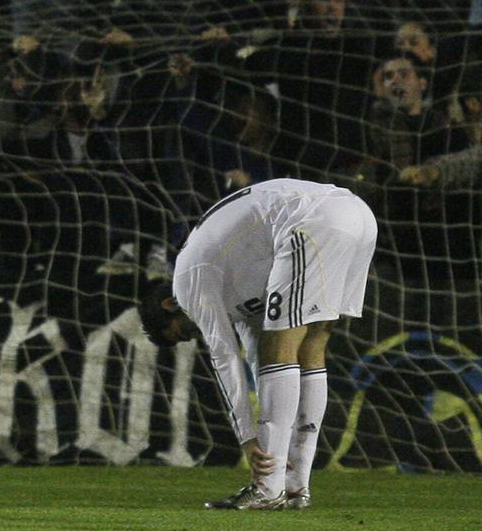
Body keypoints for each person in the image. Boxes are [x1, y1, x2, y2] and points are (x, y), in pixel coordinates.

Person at [140, 178, 377, 510]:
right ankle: (297, 487)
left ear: (169, 306)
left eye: (184, 332)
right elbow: (251, 353)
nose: (196, 336)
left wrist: (249, 440)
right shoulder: (234, 274)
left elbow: (226, 359)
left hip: (311, 221)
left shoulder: (187, 281)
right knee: (311, 345)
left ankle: (267, 488)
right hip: (358, 217)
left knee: (279, 346)